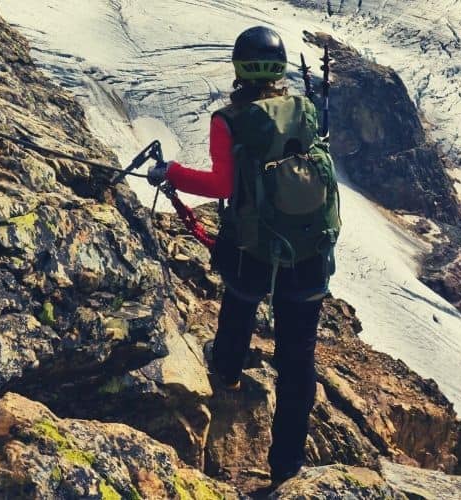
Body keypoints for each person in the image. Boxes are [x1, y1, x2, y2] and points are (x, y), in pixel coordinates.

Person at [147, 26, 341, 485]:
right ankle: (286, 468)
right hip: (310, 249)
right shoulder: (307, 108)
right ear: (280, 69)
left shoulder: (229, 119)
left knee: (239, 304)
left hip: (254, 246)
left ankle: (229, 370)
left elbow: (220, 186)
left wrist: (168, 172)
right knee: (298, 360)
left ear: (239, 67)